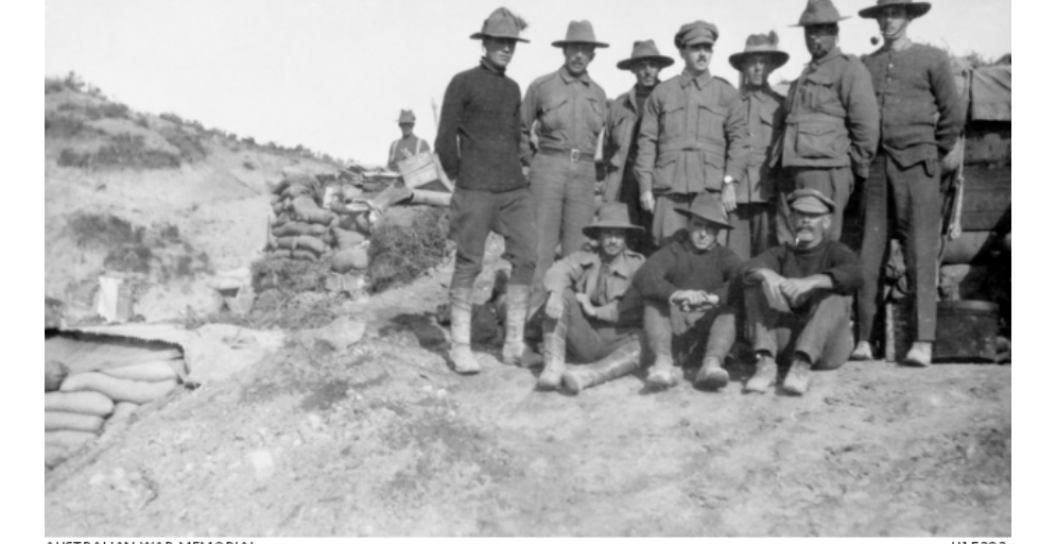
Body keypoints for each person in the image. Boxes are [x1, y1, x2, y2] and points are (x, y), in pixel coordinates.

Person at [852, 0, 965, 366]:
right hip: (876, 169)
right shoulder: (866, 64)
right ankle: (864, 339)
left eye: (896, 13)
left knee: (920, 253)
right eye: (883, 14)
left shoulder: (932, 59)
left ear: (910, 17)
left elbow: (953, 115)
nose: (888, 21)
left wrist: (930, 150)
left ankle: (923, 341)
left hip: (918, 168)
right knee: (869, 253)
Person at [434, 7, 536, 373]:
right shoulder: (462, 82)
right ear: (485, 43)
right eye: (500, 42)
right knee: (469, 262)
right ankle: (461, 347)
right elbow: (444, 141)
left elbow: (514, 137)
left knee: (527, 256)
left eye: (512, 43)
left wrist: (522, 168)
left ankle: (514, 344)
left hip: (512, 189)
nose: (507, 48)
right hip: (475, 189)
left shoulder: (512, 88)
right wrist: (462, 177)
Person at [772, 0, 879, 244]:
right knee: (788, 241)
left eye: (820, 30)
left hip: (825, 170)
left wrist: (849, 169)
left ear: (835, 31)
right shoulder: (805, 73)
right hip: (792, 170)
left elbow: (867, 128)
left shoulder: (849, 69)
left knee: (820, 242)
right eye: (809, 31)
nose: (813, 37)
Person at [635, 20, 750, 248]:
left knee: (708, 251)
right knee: (668, 248)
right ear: (682, 52)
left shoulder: (727, 94)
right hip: (670, 190)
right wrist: (645, 186)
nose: (702, 54)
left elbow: (740, 142)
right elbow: (647, 142)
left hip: (710, 190)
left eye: (707, 48)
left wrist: (730, 182)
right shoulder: (662, 93)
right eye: (696, 48)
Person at [521, 20, 609, 313]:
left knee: (578, 250)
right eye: (574, 48)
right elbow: (519, 129)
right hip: (548, 167)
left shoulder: (599, 94)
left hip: (584, 171)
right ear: (565, 50)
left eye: (585, 50)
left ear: (593, 55)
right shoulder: (542, 86)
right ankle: (531, 320)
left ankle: (568, 322)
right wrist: (533, 163)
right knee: (540, 248)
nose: (579, 55)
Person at [740, 189, 863, 395]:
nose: (805, 220)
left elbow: (856, 274)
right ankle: (766, 364)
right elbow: (745, 269)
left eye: (813, 216)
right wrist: (766, 274)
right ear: (791, 219)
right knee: (756, 283)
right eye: (800, 215)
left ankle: (802, 366)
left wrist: (813, 281)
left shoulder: (836, 251)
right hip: (789, 344)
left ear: (826, 221)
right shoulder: (782, 252)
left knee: (837, 292)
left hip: (828, 351)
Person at [632, 194, 743, 390]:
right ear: (688, 225)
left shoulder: (724, 255)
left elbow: (743, 279)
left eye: (710, 228)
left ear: (718, 232)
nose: (703, 233)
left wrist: (715, 297)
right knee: (653, 301)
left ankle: (711, 365)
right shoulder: (674, 251)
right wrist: (676, 294)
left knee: (730, 308)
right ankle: (663, 364)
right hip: (673, 337)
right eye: (698, 225)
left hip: (706, 340)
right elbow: (644, 275)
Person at [537, 203, 647, 393]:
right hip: (585, 335)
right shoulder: (586, 257)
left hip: (617, 338)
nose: (613, 241)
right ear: (599, 236)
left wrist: (595, 310)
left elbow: (633, 306)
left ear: (626, 238)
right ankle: (553, 366)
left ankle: (588, 375)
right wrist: (554, 294)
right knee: (562, 293)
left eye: (619, 235)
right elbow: (558, 271)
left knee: (647, 340)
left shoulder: (637, 265)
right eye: (608, 234)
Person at [600, 39, 675, 254]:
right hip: (626, 181)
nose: (648, 71)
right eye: (641, 65)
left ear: (660, 68)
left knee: (656, 237)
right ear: (633, 69)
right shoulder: (620, 104)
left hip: (658, 180)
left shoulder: (671, 100)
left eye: (653, 65)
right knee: (627, 237)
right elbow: (608, 148)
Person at [727, 32, 789, 259]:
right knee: (735, 258)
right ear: (743, 66)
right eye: (752, 62)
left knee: (766, 258)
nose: (757, 68)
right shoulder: (730, 102)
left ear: (771, 67)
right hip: (736, 194)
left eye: (763, 62)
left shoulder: (780, 105)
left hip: (767, 192)